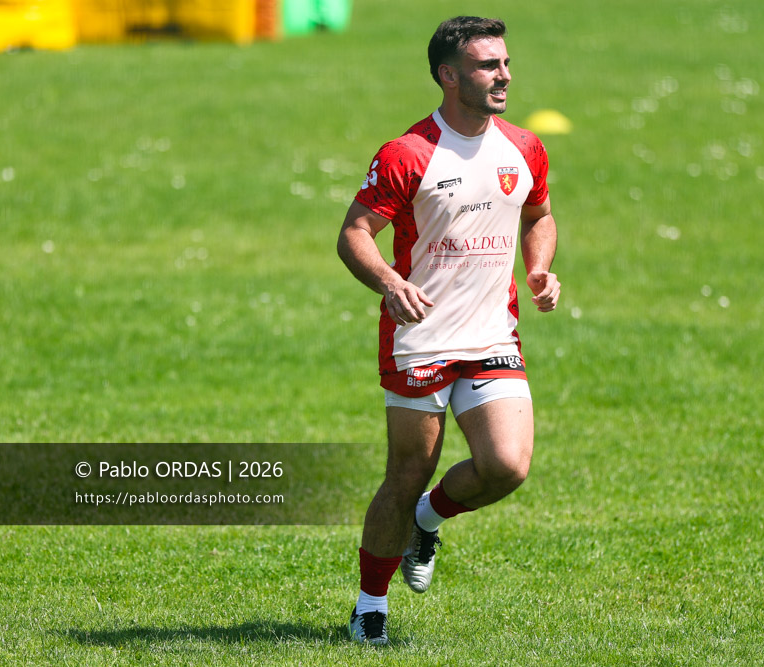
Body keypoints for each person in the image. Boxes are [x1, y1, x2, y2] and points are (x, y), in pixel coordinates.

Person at [336, 15, 561, 645]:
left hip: (493, 336)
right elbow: (354, 233)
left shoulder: (523, 146)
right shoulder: (407, 154)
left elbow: (538, 213)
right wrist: (389, 281)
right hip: (421, 338)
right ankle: (368, 606)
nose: (505, 75)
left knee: (508, 466)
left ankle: (427, 522)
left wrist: (539, 267)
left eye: (506, 63)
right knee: (408, 471)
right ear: (448, 75)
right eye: (489, 65)